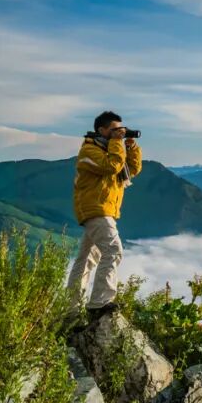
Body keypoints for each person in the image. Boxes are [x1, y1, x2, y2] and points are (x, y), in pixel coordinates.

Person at [66, 110, 143, 319]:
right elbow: (111, 166)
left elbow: (132, 169)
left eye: (121, 130)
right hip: (96, 209)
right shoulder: (89, 151)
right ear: (101, 130)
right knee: (113, 251)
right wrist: (118, 143)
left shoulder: (109, 150)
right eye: (115, 130)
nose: (120, 133)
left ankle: (71, 310)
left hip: (104, 209)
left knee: (86, 260)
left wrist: (131, 146)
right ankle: (99, 303)